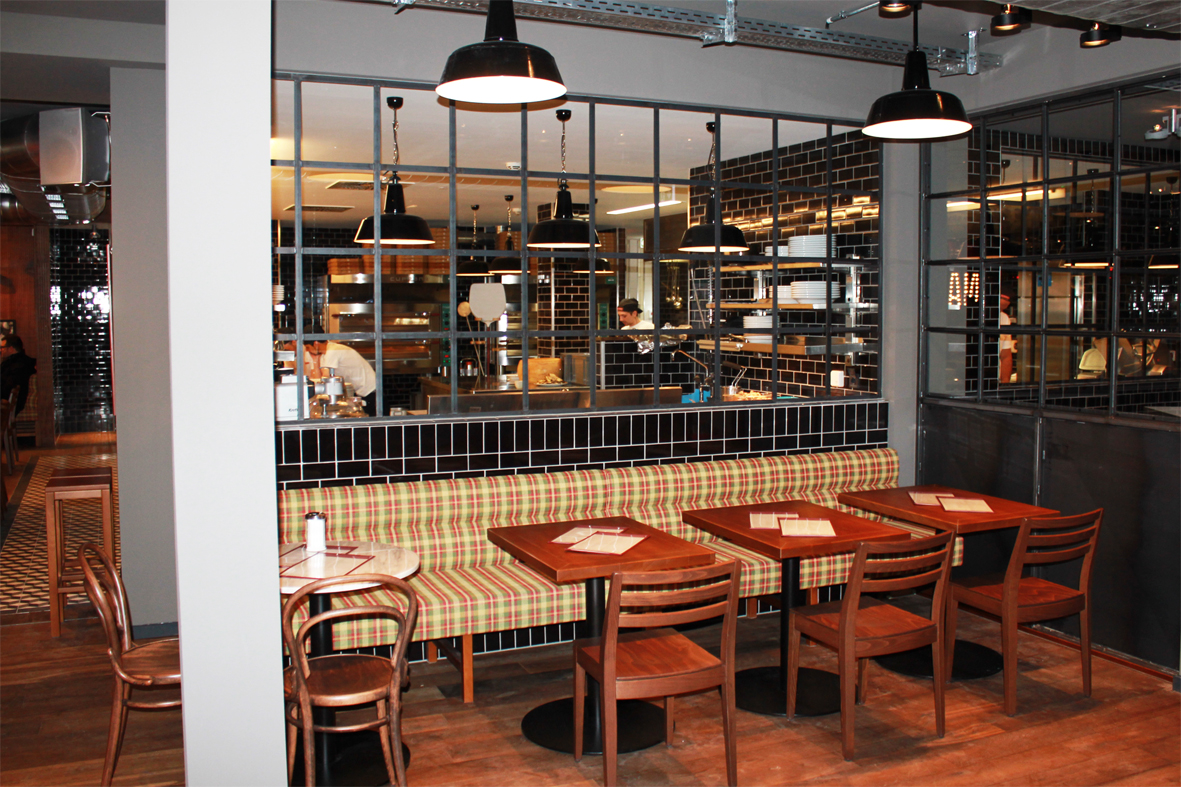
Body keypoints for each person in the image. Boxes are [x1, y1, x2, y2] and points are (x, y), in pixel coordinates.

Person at [286, 327, 377, 416]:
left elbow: (326, 378)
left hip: (371, 390)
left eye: (308, 347)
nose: (307, 350)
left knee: (370, 420)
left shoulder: (333, 350)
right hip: (362, 390)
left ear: (316, 343)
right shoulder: (326, 353)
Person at [1, 334, 37, 415]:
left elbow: (7, 387)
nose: (1, 350)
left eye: (2, 347)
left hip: (12, 407)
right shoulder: (26, 362)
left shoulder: (16, 365)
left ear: (11, 348)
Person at [998, 294, 1015, 383]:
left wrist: (1005, 382)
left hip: (995, 379)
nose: (1006, 302)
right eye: (1003, 298)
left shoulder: (1004, 318)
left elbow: (1006, 356)